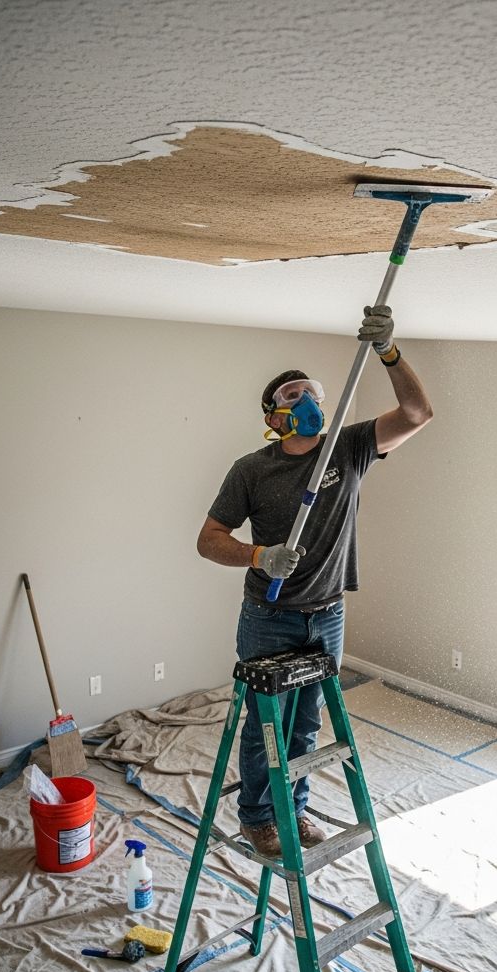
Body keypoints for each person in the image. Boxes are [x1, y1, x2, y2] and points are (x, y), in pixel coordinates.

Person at [197, 305, 433, 857]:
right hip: (269, 617)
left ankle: (294, 810)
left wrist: (387, 351)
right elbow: (208, 539)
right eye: (291, 396)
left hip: (327, 613)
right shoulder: (251, 469)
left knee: (306, 726)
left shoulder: (348, 448)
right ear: (272, 418)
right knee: (266, 726)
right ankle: (257, 817)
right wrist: (259, 556)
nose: (307, 402)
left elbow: (418, 412)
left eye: (312, 392)